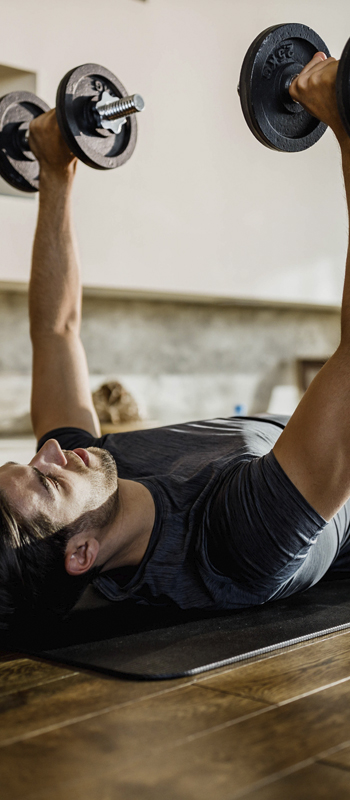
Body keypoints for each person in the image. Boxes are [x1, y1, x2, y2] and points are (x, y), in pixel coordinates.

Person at [0, 52, 349, 633]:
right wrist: (345, 129)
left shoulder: (97, 488)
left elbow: (55, 331)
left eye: (30, 461)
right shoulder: (234, 543)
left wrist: (56, 174)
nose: (52, 451)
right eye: (49, 478)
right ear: (79, 554)